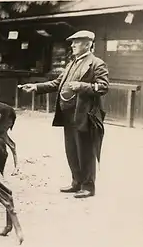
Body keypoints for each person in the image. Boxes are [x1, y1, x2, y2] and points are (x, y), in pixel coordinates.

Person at [19, 30, 109, 199]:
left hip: (84, 115)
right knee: (72, 150)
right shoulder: (72, 63)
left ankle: (88, 187)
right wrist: (36, 87)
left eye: (76, 42)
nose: (72, 45)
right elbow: (57, 83)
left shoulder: (97, 63)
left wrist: (82, 86)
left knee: (85, 151)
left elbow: (103, 87)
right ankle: (76, 182)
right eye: (72, 42)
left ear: (87, 44)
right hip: (68, 114)